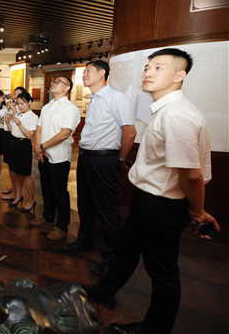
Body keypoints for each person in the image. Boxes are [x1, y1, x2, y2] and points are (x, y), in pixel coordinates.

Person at [85, 48, 220, 334]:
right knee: (126, 250)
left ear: (179, 76)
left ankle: (155, 328)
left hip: (162, 205)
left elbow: (192, 175)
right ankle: (104, 291)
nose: (148, 72)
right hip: (148, 199)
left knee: (162, 271)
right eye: (148, 67)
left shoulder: (176, 115)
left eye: (159, 67)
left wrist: (197, 211)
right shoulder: (166, 110)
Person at [63, 60, 137, 277]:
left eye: (88, 71)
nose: (84, 75)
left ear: (102, 72)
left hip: (105, 159)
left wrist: (120, 159)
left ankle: (111, 257)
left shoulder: (116, 97)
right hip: (86, 157)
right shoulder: (94, 99)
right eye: (84, 72)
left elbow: (130, 132)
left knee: (107, 209)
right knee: (85, 204)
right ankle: (84, 241)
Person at [32, 76, 80, 241]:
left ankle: (62, 226)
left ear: (67, 88)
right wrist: (38, 148)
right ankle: (47, 216)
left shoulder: (70, 108)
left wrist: (42, 146)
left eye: (58, 82)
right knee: (46, 188)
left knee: (59, 192)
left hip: (59, 156)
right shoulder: (47, 107)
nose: (53, 83)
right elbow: (39, 128)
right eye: (53, 81)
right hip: (43, 153)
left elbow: (64, 133)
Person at [5, 91, 38, 212]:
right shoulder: (18, 114)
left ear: (29, 102)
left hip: (24, 145)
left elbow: (29, 135)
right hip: (14, 143)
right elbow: (13, 131)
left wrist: (19, 124)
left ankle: (31, 201)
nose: (20, 106)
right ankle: (18, 196)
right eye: (18, 103)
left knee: (26, 175)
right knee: (15, 172)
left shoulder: (33, 117)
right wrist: (8, 123)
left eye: (23, 103)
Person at [1, 87, 25, 199]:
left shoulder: (22, 108)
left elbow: (19, 121)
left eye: (18, 94)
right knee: (9, 164)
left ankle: (16, 192)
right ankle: (13, 187)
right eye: (14, 94)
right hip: (7, 134)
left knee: (15, 166)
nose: (15, 96)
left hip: (15, 136)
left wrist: (14, 109)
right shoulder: (10, 106)